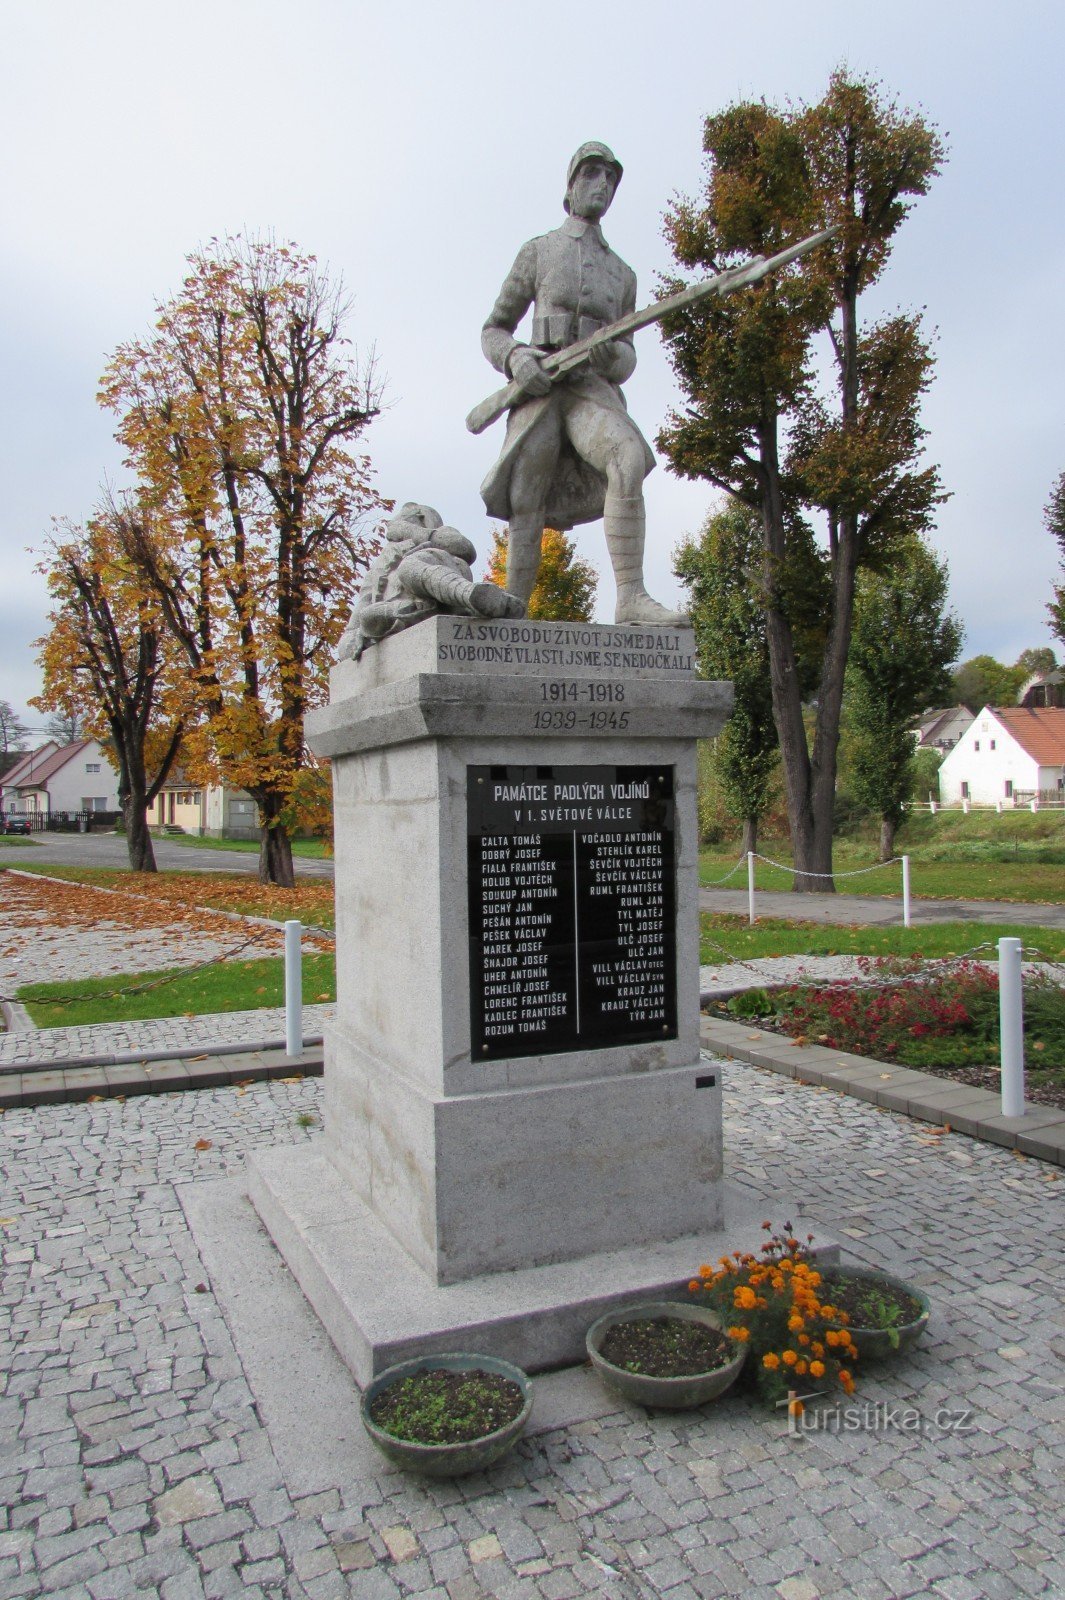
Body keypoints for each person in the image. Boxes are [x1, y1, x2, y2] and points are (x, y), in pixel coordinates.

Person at [480, 141, 687, 626]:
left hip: (591, 391)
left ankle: (631, 596)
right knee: (527, 493)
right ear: (570, 186)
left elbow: (628, 357)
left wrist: (612, 354)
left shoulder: (623, 274)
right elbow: (494, 329)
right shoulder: (538, 252)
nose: (602, 186)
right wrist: (515, 358)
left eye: (611, 179)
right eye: (592, 175)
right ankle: (514, 605)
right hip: (541, 387)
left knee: (628, 457)